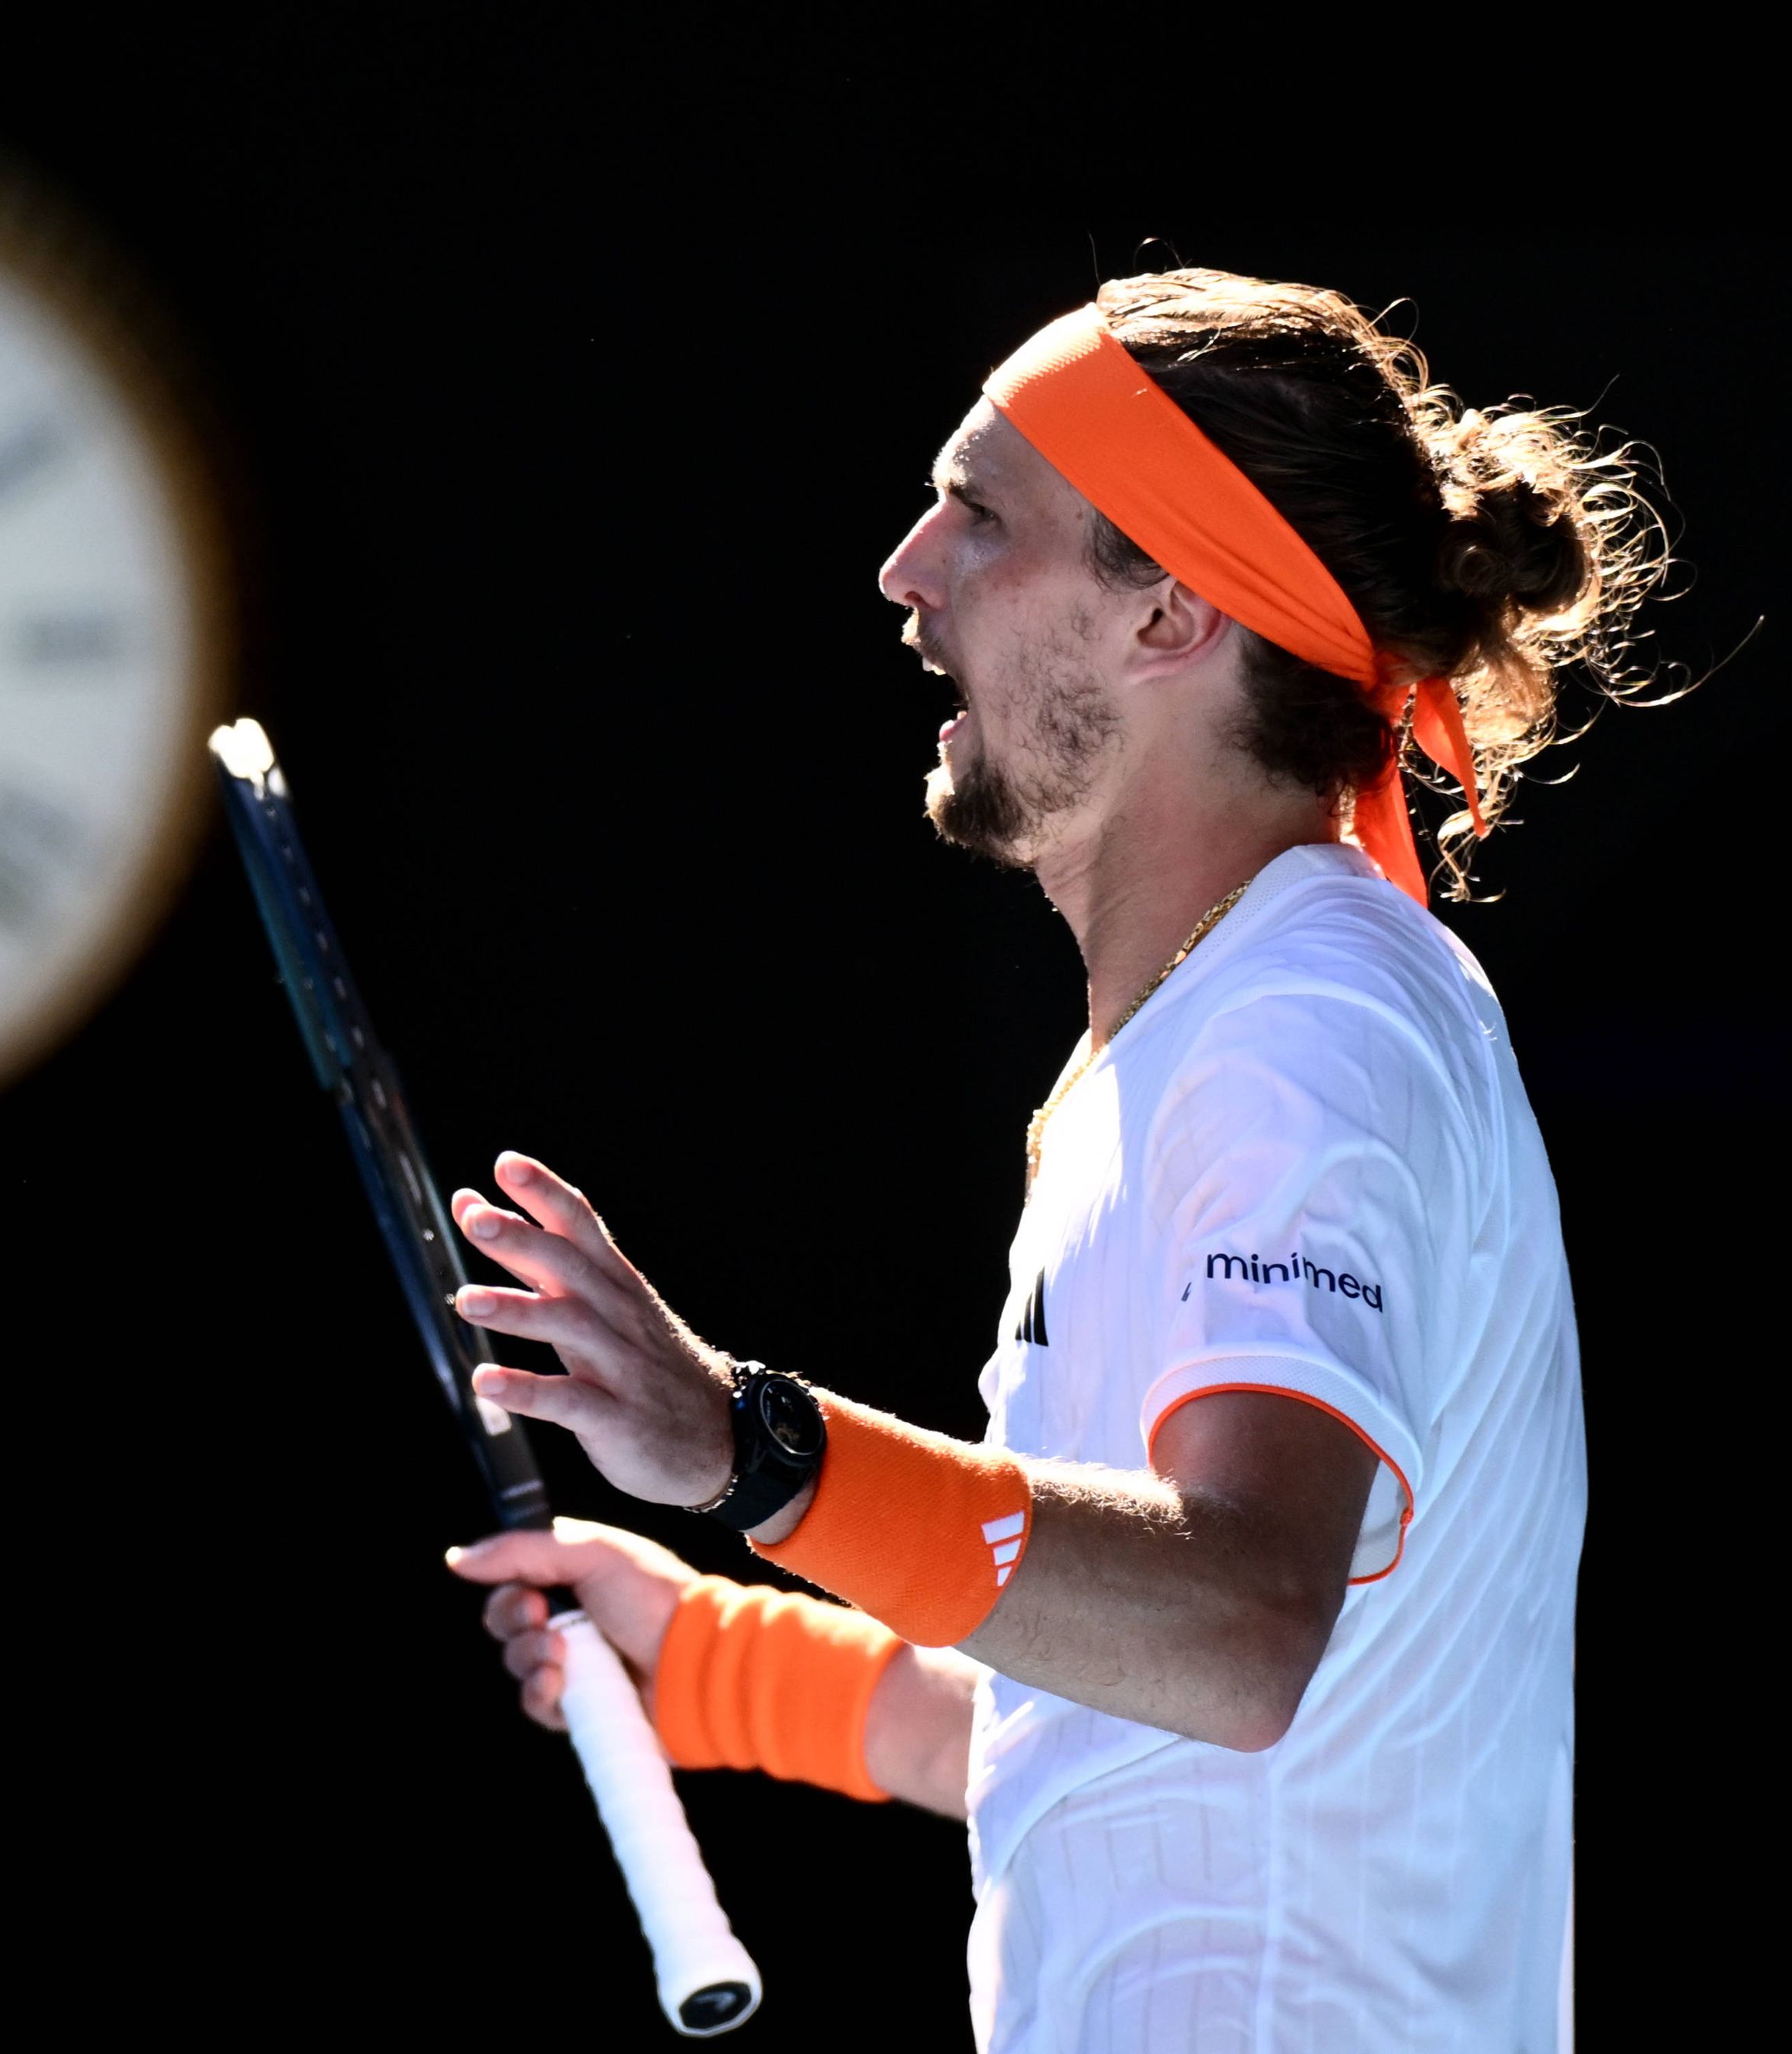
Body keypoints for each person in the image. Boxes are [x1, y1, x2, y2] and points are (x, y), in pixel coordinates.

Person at [441, 268, 1662, 2051]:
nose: (904, 569)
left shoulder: (1303, 1020)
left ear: (1167, 613)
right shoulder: (1197, 1035)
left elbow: (1235, 1624)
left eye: (980, 518)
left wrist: (748, 1449)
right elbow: (1104, 1707)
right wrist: (720, 1662)